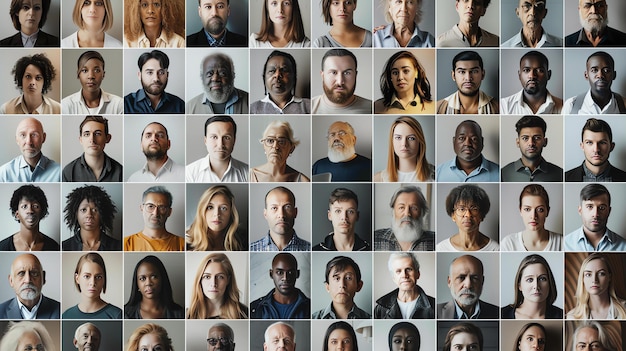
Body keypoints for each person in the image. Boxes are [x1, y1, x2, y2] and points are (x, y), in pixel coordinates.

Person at [186, 115, 249, 182]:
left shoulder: (247, 173)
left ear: (234, 140)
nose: (220, 144)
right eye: (214, 137)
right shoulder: (189, 173)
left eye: (226, 138)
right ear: (205, 140)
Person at [501, 115, 563, 182]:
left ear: (545, 142)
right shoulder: (504, 173)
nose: (531, 143)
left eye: (537, 138)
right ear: (518, 142)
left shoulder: (560, 174)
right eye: (525, 138)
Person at [564, 184, 626, 251]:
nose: (595, 214)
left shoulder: (623, 246)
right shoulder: (565, 244)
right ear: (580, 210)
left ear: (609, 211)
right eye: (590, 206)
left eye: (602, 208)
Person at [501, 184, 562, 251]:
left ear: (547, 211)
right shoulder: (509, 244)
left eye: (540, 209)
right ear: (520, 210)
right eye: (527, 209)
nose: (533, 216)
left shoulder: (561, 242)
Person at [437, 185, 498, 251]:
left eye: (474, 209)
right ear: (453, 216)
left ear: (482, 215)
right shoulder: (441, 248)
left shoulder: (495, 249)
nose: (468, 215)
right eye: (462, 209)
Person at [62, 252, 122, 319]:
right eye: (87, 276)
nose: (93, 283)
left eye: (98, 277)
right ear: (77, 278)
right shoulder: (66, 316)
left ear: (104, 279)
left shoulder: (117, 315)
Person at [62, 116, 123, 182]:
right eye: (87, 134)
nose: (92, 140)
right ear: (81, 140)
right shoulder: (68, 172)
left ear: (107, 138)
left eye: (97, 134)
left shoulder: (119, 171)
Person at [250, 252, 310, 319]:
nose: (285, 278)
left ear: (297, 274)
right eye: (279, 272)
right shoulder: (256, 309)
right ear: (271, 274)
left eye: (290, 272)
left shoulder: (309, 307)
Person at [249, 186, 311, 251]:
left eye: (287, 207)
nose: (281, 215)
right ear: (265, 214)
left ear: (295, 212)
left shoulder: (309, 249)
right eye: (274, 208)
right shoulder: (251, 249)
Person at [562, 52, 626, 114]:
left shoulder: (624, 104)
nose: (600, 75)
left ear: (614, 75)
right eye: (594, 70)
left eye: (606, 70)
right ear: (586, 75)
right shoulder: (571, 105)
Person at [501, 254, 563, 319]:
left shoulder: (562, 316)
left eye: (542, 279)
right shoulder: (502, 314)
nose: (536, 286)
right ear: (519, 285)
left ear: (550, 283)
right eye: (529, 280)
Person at [188, 253, 248, 319]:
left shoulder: (244, 313)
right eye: (207, 277)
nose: (213, 284)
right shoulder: (189, 315)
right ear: (199, 280)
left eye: (220, 277)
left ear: (228, 280)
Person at [374, 252, 434, 319]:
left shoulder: (433, 306)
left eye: (408, 269)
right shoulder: (380, 309)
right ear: (393, 278)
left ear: (418, 274)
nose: (404, 275)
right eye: (398, 271)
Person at [374, 185, 435, 251]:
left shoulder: (434, 240)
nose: (407, 214)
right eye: (401, 207)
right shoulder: (375, 238)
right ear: (393, 212)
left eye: (414, 208)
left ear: (423, 212)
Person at [187, 185, 247, 251]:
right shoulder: (187, 242)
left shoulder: (243, 242)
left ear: (231, 212)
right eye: (210, 207)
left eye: (223, 208)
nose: (217, 214)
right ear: (202, 210)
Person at [124, 186, 185, 251]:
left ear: (169, 212)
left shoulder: (182, 244)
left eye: (162, 207)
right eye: (150, 206)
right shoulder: (126, 243)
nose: (155, 213)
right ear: (142, 208)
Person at [312, 49, 372, 114]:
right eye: (333, 72)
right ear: (322, 76)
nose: (340, 82)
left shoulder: (372, 108)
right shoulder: (309, 108)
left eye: (347, 73)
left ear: (355, 75)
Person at [437, 255, 499, 319]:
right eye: (461, 277)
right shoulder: (434, 312)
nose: (468, 285)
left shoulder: (498, 313)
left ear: (482, 281)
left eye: (475, 278)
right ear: (449, 281)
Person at [374, 116, 434, 182]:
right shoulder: (378, 179)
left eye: (411, 138)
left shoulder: (436, 174)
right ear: (392, 141)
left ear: (420, 141)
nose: (404, 144)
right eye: (398, 138)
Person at [0, 253, 60, 319]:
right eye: (21, 273)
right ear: (11, 280)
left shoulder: (59, 310)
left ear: (43, 278)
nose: (28, 280)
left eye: (34, 273)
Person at [567, 253, 626, 319]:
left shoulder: (624, 309)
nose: (594, 280)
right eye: (588, 275)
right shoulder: (572, 316)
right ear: (583, 279)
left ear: (609, 277)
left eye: (601, 273)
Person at [0, 117, 60, 182]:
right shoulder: (4, 173)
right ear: (17, 140)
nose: (28, 142)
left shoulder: (58, 172)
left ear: (43, 138)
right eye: (23, 135)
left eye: (34, 135)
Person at [62, 185, 121, 251]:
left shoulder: (118, 247)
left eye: (95, 210)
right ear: (76, 214)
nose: (89, 215)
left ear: (103, 214)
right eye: (84, 210)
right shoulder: (64, 247)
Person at [0, 185, 59, 251]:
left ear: (42, 213)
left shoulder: (54, 247)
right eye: (24, 206)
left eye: (35, 206)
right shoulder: (2, 247)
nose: (30, 211)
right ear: (17, 214)